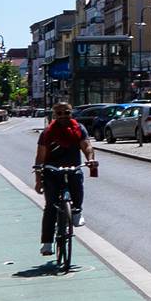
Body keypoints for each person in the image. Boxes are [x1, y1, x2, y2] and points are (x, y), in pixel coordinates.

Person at [33, 101, 97, 257]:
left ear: (71, 113)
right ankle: (47, 243)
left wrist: (90, 159)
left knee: (77, 181)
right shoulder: (47, 132)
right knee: (50, 207)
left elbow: (87, 146)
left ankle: (77, 212)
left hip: (72, 167)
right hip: (52, 171)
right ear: (54, 115)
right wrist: (38, 179)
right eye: (59, 113)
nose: (63, 116)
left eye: (66, 113)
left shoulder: (78, 129)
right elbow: (40, 156)